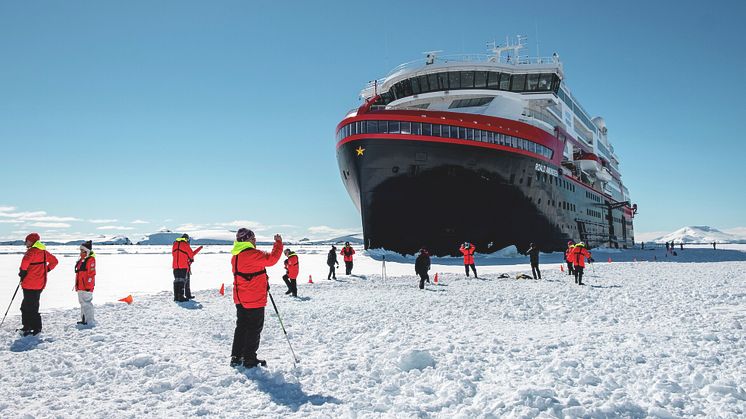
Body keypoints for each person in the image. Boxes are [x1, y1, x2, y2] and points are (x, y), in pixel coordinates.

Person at [230, 228, 283, 368]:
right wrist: (278, 243)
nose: (255, 241)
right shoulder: (252, 254)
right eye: (253, 238)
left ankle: (236, 356)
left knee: (241, 327)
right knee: (254, 328)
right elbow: (272, 259)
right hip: (253, 299)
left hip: (240, 298)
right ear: (247, 240)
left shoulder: (235, 255)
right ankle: (249, 358)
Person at [17, 233, 58, 336]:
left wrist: (22, 273)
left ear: (33, 241)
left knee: (29, 307)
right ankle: (29, 326)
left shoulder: (31, 252)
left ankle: (34, 328)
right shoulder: (44, 252)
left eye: (27, 241)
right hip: (40, 284)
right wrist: (46, 269)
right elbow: (55, 261)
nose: (26, 242)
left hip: (29, 284)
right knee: (30, 305)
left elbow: (24, 265)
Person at [171, 234, 201, 302]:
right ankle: (181, 296)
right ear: (186, 239)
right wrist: (191, 258)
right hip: (183, 265)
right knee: (182, 281)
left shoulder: (175, 244)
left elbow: (173, 254)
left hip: (175, 265)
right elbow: (191, 255)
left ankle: (176, 297)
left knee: (176, 281)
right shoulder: (185, 245)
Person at [74, 240, 96, 326]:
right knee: (82, 303)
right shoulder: (82, 260)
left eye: (82, 250)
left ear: (86, 250)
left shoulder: (91, 260)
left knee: (87, 303)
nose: (80, 252)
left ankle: (89, 321)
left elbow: (91, 274)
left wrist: (88, 285)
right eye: (80, 250)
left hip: (86, 287)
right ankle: (84, 319)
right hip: (80, 286)